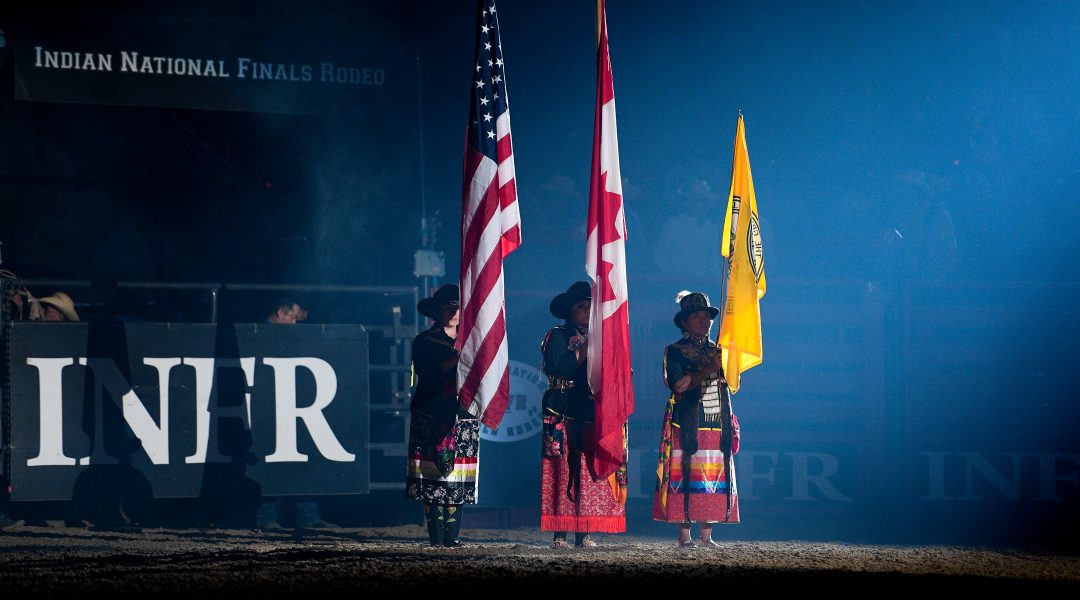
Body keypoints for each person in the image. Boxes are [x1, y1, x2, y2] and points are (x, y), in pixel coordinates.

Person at [540, 281, 626, 548]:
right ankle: (560, 533)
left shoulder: (605, 338)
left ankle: (585, 531)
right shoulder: (557, 336)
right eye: (581, 306)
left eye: (591, 306)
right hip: (563, 406)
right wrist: (589, 344)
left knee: (589, 469)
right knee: (563, 468)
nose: (587, 311)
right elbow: (562, 366)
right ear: (569, 311)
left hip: (590, 409)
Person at [653, 291, 741, 547]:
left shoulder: (720, 351)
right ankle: (684, 536)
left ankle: (707, 535)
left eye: (707, 317)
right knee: (687, 475)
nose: (704, 321)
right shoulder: (675, 352)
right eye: (697, 316)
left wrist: (729, 360)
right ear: (684, 322)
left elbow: (732, 384)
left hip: (716, 420)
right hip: (687, 422)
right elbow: (679, 385)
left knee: (713, 474)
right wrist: (709, 369)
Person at [406, 284, 478, 547]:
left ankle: (452, 535)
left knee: (458, 475)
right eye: (448, 305)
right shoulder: (424, 341)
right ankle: (436, 536)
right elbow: (429, 374)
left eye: (457, 305)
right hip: (432, 413)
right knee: (432, 473)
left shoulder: (473, 341)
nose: (453, 310)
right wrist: (460, 354)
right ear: (437, 310)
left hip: (462, 414)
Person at [255, 298, 337, 530]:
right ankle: (269, 516)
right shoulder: (258, 335)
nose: (294, 324)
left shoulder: (279, 336)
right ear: (281, 312)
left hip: (293, 406)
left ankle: (306, 516)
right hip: (271, 407)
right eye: (292, 318)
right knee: (272, 462)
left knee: (301, 460)